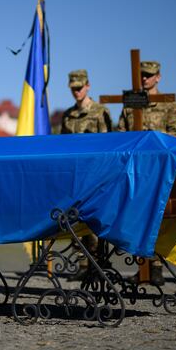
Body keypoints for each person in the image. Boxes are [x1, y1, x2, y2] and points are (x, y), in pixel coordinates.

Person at [116, 60, 176, 286]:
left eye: (149, 75)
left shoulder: (168, 105)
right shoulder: (129, 105)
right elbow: (121, 136)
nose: (144, 78)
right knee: (137, 219)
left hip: (161, 172)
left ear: (158, 77)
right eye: (142, 74)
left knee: (160, 220)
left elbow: (175, 137)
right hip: (136, 173)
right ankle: (142, 268)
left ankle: (156, 268)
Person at [60, 69, 111, 280]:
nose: (76, 92)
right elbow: (61, 147)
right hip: (75, 176)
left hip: (96, 175)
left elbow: (109, 145)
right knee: (76, 220)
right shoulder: (68, 116)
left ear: (88, 86)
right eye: (73, 89)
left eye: (79, 88)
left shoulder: (100, 112)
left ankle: (99, 265)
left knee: (95, 221)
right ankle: (83, 264)